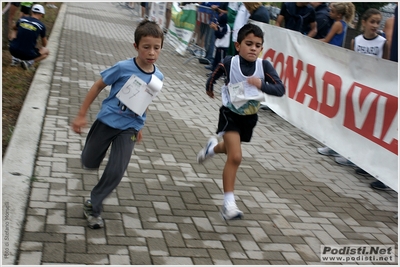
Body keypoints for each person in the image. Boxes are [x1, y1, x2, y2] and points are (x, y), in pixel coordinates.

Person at [71, 20, 164, 229]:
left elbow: (145, 101)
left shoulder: (158, 77)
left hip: (129, 128)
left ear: (161, 48)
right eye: (146, 47)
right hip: (107, 121)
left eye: (156, 48)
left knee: (116, 170)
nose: (151, 52)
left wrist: (140, 127)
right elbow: (97, 86)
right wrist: (81, 114)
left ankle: (93, 207)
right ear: (136, 46)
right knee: (89, 160)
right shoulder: (123, 67)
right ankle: (90, 159)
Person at [197, 23, 285, 220]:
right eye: (249, 43)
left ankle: (211, 148)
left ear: (261, 48)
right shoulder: (231, 62)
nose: (253, 48)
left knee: (229, 149)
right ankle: (229, 205)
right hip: (229, 114)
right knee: (236, 157)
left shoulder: (264, 66)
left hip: (250, 118)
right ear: (238, 45)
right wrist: (210, 86)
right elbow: (215, 73)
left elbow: (280, 89)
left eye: (258, 45)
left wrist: (261, 84)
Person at [9, 4, 50, 70]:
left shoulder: (22, 20)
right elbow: (44, 44)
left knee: (15, 30)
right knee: (46, 52)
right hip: (27, 54)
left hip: (13, 50)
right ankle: (29, 62)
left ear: (31, 12)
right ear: (42, 14)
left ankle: (15, 58)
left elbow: (14, 28)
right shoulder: (41, 25)